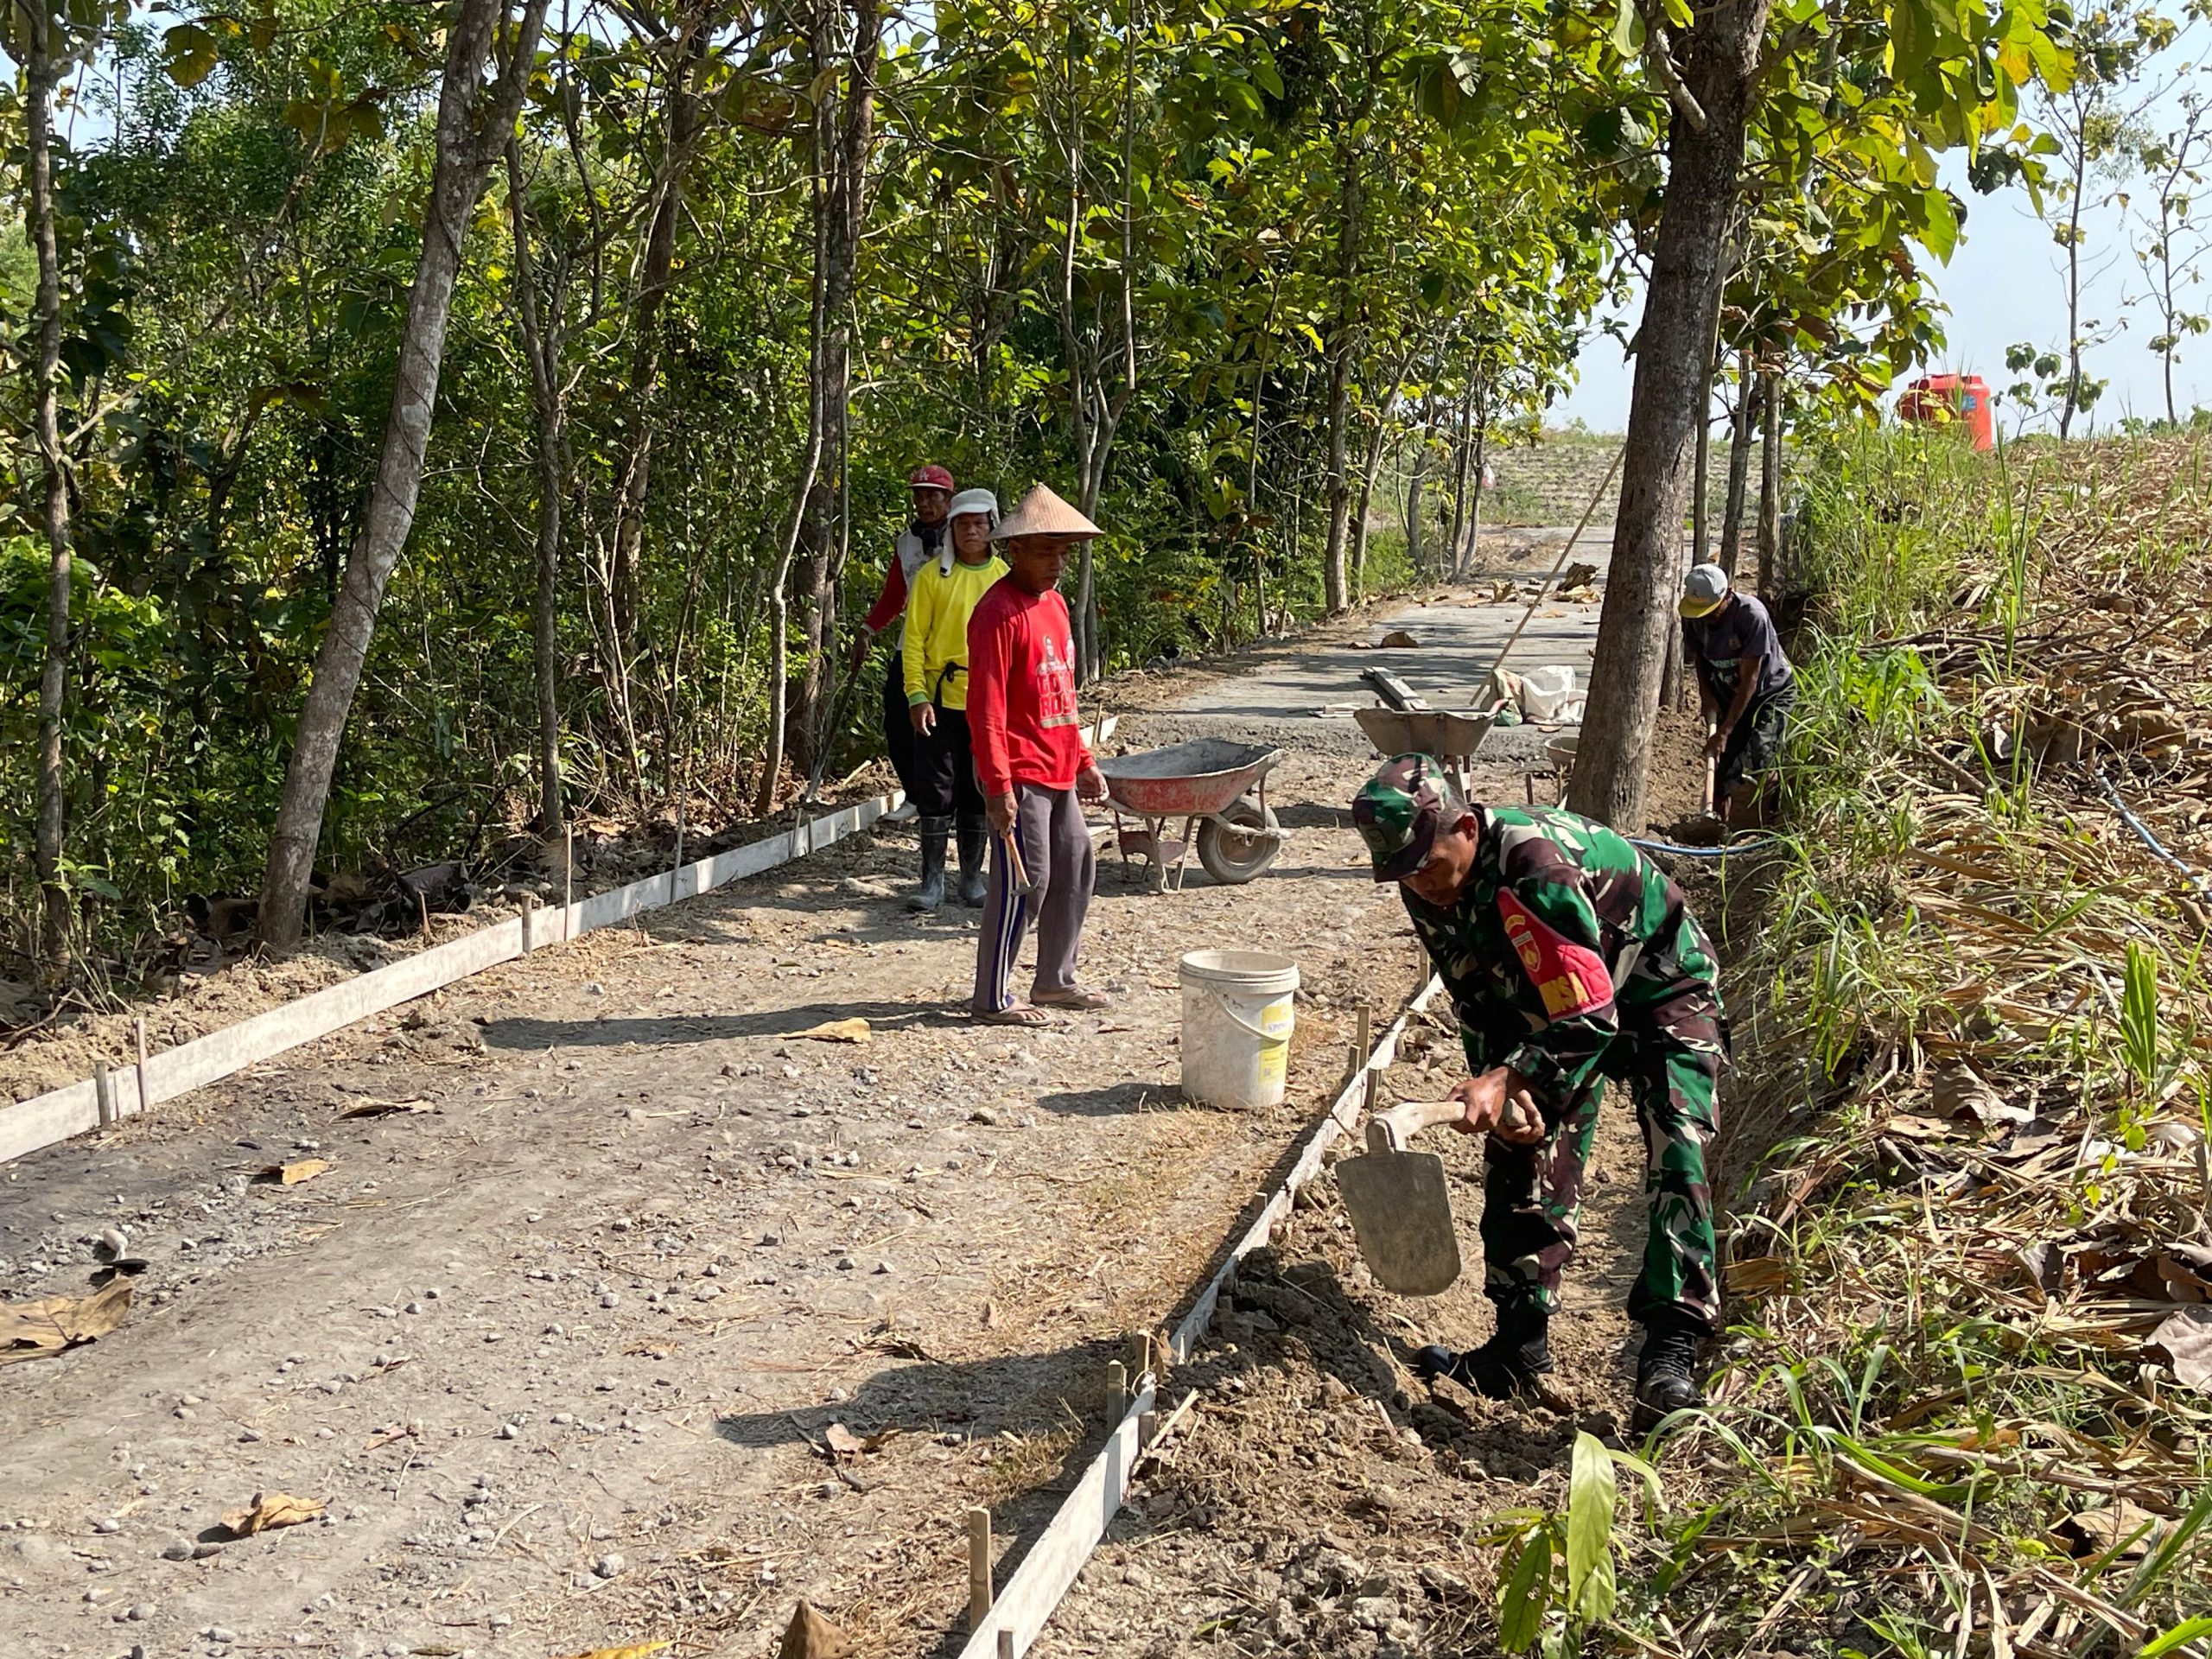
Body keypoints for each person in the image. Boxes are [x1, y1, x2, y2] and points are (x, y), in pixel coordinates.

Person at [1350, 754, 1726, 1426]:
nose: (1423, 888)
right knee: (1518, 1144)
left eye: (1430, 867)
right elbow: (1480, 997)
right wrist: (1508, 1087)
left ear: (1465, 827)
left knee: (1680, 1145)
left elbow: (1593, 1015)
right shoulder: (1425, 882)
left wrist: (1513, 1074)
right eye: (1404, 875)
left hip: (1659, 990)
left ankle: (1670, 1352)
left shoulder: (1536, 867)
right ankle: (1518, 1348)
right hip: (1556, 1003)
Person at [966, 484, 1112, 1027]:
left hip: (1058, 767)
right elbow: (985, 707)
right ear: (1016, 550)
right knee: (1025, 881)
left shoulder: (1052, 606)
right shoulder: (996, 614)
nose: (1058, 563)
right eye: (1047, 551)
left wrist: (1084, 759)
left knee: (1076, 866)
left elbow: (1062, 694)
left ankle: (1054, 979)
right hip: (1020, 772)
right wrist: (998, 786)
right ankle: (992, 996)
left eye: (1063, 552)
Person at [901, 488, 1005, 910]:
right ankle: (932, 883)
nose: (972, 531)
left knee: (977, 790)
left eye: (980, 523)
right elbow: (913, 642)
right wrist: (916, 695)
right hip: (940, 698)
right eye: (963, 524)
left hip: (988, 700)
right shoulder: (930, 578)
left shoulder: (1004, 578)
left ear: (993, 526)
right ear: (952, 529)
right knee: (936, 791)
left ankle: (971, 881)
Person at [849, 465, 957, 814]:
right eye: (919, 496)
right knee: (898, 721)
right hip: (912, 645)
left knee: (951, 724)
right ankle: (915, 794)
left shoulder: (965, 537)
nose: (925, 503)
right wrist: (867, 629)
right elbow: (895, 597)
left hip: (956, 648)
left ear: (949, 499)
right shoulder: (906, 542)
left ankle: (957, 798)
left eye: (932, 496)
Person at [1679, 563, 1794, 827]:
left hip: (1770, 691)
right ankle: (1717, 822)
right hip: (1728, 688)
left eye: (1710, 612)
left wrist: (1725, 731)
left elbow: (1750, 679)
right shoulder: (1695, 617)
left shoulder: (1751, 616)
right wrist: (1706, 695)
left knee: (1758, 757)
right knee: (1725, 763)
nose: (1705, 618)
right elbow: (1700, 658)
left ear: (1727, 595)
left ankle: (1755, 827)